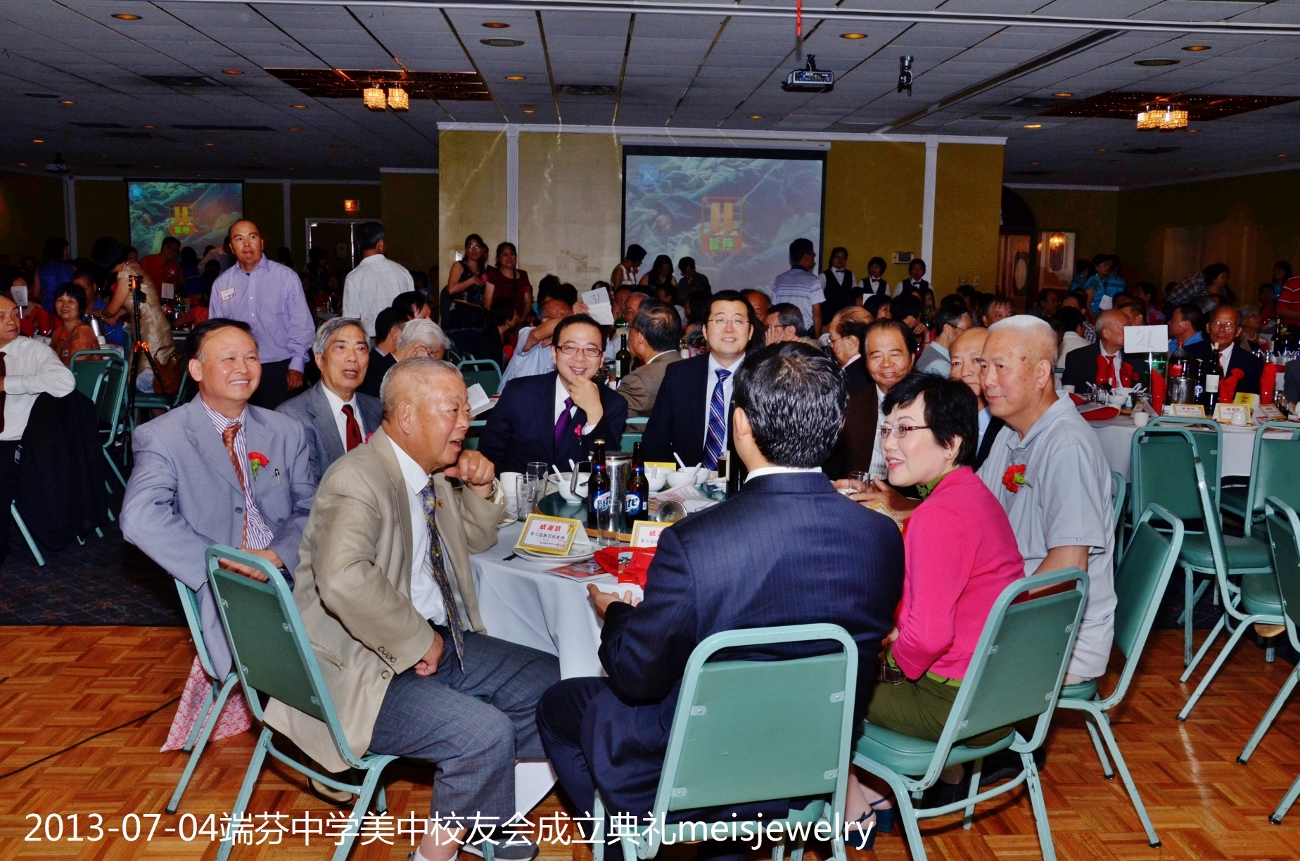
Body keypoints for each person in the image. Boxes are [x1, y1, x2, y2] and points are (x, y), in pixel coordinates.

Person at [536, 342, 904, 835]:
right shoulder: (882, 536)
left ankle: (626, 840)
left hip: (695, 762)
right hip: (813, 754)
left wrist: (617, 614)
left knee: (558, 703)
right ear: (838, 425)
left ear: (741, 424)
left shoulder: (696, 543)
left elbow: (637, 678)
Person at [264, 358, 558, 861]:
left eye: (466, 409)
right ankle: (431, 855)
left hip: (431, 640)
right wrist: (419, 640)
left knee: (549, 683)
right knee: (483, 733)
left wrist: (480, 490)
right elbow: (343, 577)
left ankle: (482, 818)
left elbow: (471, 541)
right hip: (362, 666)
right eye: (452, 409)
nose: (466, 421)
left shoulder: (428, 474)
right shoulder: (356, 476)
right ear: (405, 416)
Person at [842, 372, 1024, 828]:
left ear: (951, 443)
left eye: (906, 429)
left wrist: (888, 665)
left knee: (821, 688)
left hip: (954, 704)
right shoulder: (974, 494)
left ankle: (855, 809)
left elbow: (927, 639)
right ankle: (879, 792)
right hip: (1002, 693)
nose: (889, 443)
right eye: (887, 429)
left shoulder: (938, 516)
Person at [120, 318, 316, 681]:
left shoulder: (286, 431)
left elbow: (310, 508)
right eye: (229, 359)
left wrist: (278, 554)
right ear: (196, 370)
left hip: (297, 570)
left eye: (251, 357)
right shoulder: (164, 436)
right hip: (232, 590)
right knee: (322, 663)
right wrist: (220, 563)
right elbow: (139, 518)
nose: (243, 368)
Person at [978, 315, 1115, 689]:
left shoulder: (1066, 445)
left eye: (1000, 367)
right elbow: (970, 508)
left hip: (1056, 633)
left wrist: (987, 608)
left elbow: (1069, 567)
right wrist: (903, 507)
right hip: (1020, 606)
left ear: (1041, 373)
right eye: (984, 366)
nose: (987, 380)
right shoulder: (1012, 432)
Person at [479, 314, 628, 476]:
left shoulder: (614, 404)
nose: (579, 358)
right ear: (554, 354)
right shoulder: (519, 393)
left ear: (601, 360)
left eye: (591, 350)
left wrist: (594, 413)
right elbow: (489, 454)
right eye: (569, 348)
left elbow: (610, 471)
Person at [0, 295, 76, 563]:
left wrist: (9, 383)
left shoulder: (33, 350)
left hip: (15, 443)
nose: (12, 321)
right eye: (2, 317)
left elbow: (65, 382)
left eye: (14, 313)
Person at [208, 220, 315, 409]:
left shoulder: (285, 277)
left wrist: (297, 364)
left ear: (262, 243)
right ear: (231, 248)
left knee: (281, 423)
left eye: (252, 237)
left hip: (279, 368)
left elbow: (301, 324)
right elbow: (216, 333)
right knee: (241, 423)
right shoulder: (222, 284)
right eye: (239, 239)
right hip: (237, 369)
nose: (246, 244)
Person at [643, 291, 756, 468]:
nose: (729, 328)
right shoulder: (678, 375)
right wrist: (676, 477)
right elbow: (655, 441)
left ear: (750, 332)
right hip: (686, 481)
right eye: (720, 320)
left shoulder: (765, 379)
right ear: (705, 331)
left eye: (737, 321)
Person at [277, 317, 383, 481]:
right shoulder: (292, 417)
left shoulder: (376, 408)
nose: (352, 358)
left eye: (360, 348)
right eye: (341, 347)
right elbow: (306, 488)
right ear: (320, 360)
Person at [827, 319, 915, 480]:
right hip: (856, 491)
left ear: (912, 358)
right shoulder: (850, 403)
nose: (886, 364)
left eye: (895, 354)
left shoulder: (930, 405)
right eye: (876, 356)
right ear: (866, 363)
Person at [94, 236, 181, 397]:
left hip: (151, 335)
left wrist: (98, 313)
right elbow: (139, 303)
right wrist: (119, 313)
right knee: (153, 387)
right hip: (152, 332)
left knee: (146, 385)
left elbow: (111, 309)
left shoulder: (126, 274)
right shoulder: (133, 267)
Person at [342, 221, 414, 338]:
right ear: (381, 243)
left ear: (358, 244)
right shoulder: (402, 272)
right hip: (402, 338)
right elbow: (412, 310)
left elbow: (351, 322)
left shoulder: (354, 277)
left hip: (371, 342)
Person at [616, 300, 683, 417]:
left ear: (640, 337)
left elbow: (612, 419)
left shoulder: (638, 381)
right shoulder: (693, 368)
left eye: (629, 328)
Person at [496, 297, 575, 392]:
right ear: (545, 321)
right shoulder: (527, 333)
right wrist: (573, 315)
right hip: (511, 395)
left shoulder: (566, 345)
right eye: (561, 316)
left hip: (541, 398)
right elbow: (535, 336)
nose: (569, 322)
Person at [1062, 309, 1149, 393]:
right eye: (1125, 328)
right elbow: (1068, 394)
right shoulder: (1077, 358)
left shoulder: (1137, 359)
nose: (1130, 332)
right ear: (1106, 333)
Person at [444, 234, 490, 356]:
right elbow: (451, 289)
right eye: (470, 247)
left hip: (478, 317)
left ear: (482, 249)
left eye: (477, 247)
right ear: (465, 249)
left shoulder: (484, 270)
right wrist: (472, 280)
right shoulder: (459, 265)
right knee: (461, 354)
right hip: (460, 315)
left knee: (477, 355)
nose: (474, 250)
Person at [771, 237, 825, 337]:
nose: (814, 258)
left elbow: (774, 309)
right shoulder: (813, 281)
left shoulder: (779, 279)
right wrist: (817, 339)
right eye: (813, 254)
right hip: (804, 334)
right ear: (806, 257)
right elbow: (817, 313)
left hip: (783, 333)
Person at [1206, 305, 1265, 394]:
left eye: (1229, 325)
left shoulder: (1251, 363)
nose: (1221, 329)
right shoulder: (1190, 355)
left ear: (1238, 331)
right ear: (1208, 327)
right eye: (1217, 323)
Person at [359, 307, 406, 399]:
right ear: (394, 333)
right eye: (408, 332)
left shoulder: (374, 360)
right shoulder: (373, 369)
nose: (411, 337)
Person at [915, 303, 972, 377]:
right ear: (947, 329)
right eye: (965, 331)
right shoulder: (939, 365)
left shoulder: (931, 352)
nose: (969, 336)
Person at [50, 283, 99, 366]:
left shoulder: (83, 332)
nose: (65, 305)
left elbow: (75, 367)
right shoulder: (57, 332)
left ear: (80, 306)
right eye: (60, 300)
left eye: (71, 301)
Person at [827, 308, 873, 394]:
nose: (830, 345)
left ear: (851, 342)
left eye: (832, 340)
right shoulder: (872, 369)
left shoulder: (847, 382)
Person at [485, 241, 533, 322]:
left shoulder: (523, 275)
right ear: (498, 258)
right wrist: (502, 322)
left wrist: (522, 319)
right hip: (498, 323)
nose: (509, 257)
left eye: (512, 254)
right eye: (505, 254)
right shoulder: (492, 274)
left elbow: (528, 302)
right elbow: (487, 303)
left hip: (518, 322)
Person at [474, 298, 522, 372]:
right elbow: (488, 365)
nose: (517, 317)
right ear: (507, 320)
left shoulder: (504, 336)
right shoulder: (489, 337)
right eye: (515, 314)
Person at [821, 246, 859, 318]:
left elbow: (854, 296)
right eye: (837, 257)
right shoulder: (823, 275)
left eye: (843, 257)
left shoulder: (851, 275)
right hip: (828, 314)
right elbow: (820, 297)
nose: (840, 259)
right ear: (832, 259)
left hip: (846, 314)